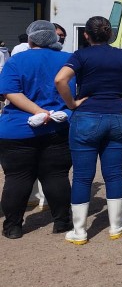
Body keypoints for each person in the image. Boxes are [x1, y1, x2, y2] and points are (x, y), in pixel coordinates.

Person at [55, 16, 122, 245]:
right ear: (110, 35)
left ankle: (79, 231)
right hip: (117, 116)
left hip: (87, 117)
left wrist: (71, 103)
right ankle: (116, 226)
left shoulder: (80, 55)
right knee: (113, 174)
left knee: (82, 176)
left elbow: (60, 79)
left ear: (86, 35)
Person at [0, 21, 73, 239]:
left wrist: (38, 111)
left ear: (30, 39)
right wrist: (49, 113)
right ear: (54, 38)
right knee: (56, 175)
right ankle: (61, 221)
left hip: (18, 130)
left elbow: (10, 93)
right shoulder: (68, 60)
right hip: (58, 128)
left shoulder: (17, 60)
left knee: (17, 178)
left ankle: (13, 226)